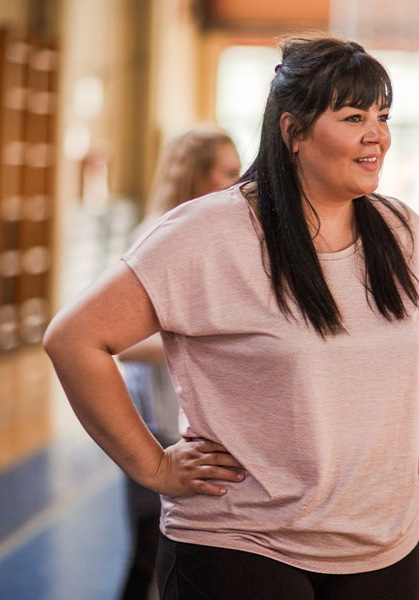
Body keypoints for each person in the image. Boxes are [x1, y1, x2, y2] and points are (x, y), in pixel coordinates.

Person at [43, 36, 419, 600]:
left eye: (383, 115)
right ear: (293, 132)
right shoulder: (208, 233)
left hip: (384, 546)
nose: (378, 134)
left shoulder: (402, 233)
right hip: (240, 544)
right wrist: (153, 467)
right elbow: (75, 339)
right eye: (354, 116)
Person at [116, 125, 242, 600]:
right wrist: (210, 342)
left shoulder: (214, 236)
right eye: (228, 172)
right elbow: (124, 343)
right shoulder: (157, 237)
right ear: (195, 177)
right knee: (149, 555)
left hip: (187, 420)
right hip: (158, 423)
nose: (237, 184)